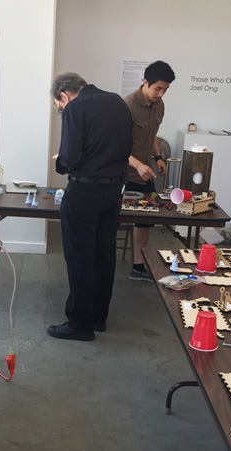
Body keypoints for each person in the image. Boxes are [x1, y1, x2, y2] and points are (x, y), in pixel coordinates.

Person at [48, 72, 133, 341]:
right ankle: (98, 317)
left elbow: (70, 157)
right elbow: (125, 147)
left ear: (64, 95)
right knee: (104, 255)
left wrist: (60, 161)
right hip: (114, 191)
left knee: (79, 258)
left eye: (59, 106)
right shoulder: (117, 102)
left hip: (84, 191)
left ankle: (79, 324)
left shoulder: (76, 107)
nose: (62, 110)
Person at [122, 60, 176, 281]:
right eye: (157, 88)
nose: (161, 94)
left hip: (145, 173)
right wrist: (137, 165)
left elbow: (151, 134)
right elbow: (116, 146)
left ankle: (138, 267)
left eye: (165, 89)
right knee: (113, 220)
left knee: (145, 219)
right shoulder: (127, 106)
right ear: (145, 82)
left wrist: (158, 157)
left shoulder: (159, 105)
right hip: (124, 174)